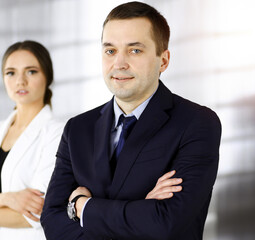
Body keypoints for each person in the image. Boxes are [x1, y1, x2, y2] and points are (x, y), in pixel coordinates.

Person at [41, 1, 222, 240]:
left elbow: (165, 223)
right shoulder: (77, 129)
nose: (119, 63)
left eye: (135, 50)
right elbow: (52, 219)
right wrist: (141, 210)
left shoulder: (197, 123)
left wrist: (82, 207)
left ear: (163, 60)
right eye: (110, 50)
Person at [0, 40, 64, 240]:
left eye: (31, 71)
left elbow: (35, 214)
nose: (20, 81)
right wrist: (9, 199)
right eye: (11, 73)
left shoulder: (58, 132)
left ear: (47, 76)